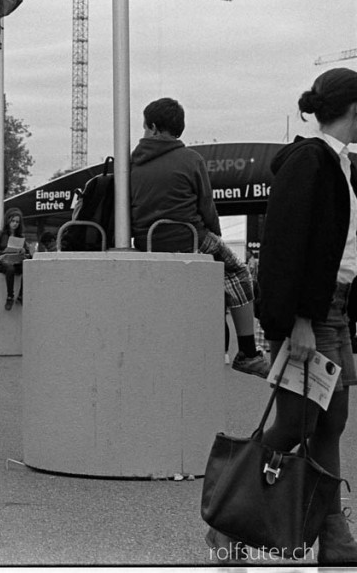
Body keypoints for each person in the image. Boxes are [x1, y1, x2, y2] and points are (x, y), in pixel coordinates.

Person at [211, 68, 357, 564]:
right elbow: (285, 247)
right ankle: (227, 521)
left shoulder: (338, 163)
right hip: (311, 315)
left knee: (331, 419)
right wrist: (296, 320)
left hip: (333, 310)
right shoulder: (310, 160)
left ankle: (333, 534)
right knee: (295, 422)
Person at [129, 97, 270, 378]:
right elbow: (207, 207)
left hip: (147, 241)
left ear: (154, 128)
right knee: (238, 273)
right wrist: (215, 236)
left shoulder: (132, 163)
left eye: (145, 127)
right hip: (188, 237)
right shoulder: (192, 160)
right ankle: (247, 352)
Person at [0, 208, 33, 310]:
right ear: (8, 221)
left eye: (17, 222)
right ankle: (10, 296)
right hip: (4, 261)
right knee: (10, 269)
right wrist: (4, 252)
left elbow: (29, 254)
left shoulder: (20, 236)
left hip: (16, 260)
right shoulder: (0, 234)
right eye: (13, 221)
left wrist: (24, 252)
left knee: (27, 268)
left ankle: (21, 295)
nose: (15, 224)